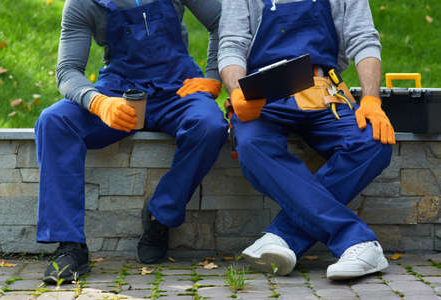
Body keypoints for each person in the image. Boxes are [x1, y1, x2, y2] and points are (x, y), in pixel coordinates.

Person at [36, 0, 228, 283]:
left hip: (179, 88)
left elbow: (223, 21)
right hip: (119, 94)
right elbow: (67, 71)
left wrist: (213, 77)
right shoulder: (82, 4)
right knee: (54, 121)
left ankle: (161, 215)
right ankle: (70, 246)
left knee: (210, 126)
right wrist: (98, 102)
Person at [218, 0, 395, 280]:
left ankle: (282, 237)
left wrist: (371, 99)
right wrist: (238, 90)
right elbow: (231, 46)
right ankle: (356, 241)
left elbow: (364, 39)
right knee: (252, 145)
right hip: (262, 97)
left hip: (323, 93)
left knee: (374, 142)